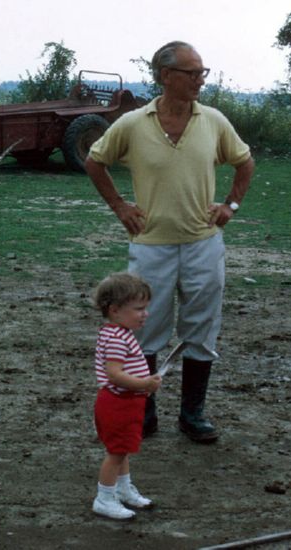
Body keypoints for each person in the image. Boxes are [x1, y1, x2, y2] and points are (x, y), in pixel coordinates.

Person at [86, 41, 255, 443]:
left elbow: (245, 162)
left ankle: (193, 414)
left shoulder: (213, 121)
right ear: (166, 76)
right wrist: (119, 206)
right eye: (191, 73)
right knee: (144, 326)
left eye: (202, 72)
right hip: (151, 244)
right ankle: (143, 413)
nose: (200, 80)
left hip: (203, 243)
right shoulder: (133, 123)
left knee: (201, 327)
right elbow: (95, 161)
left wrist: (230, 204)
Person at [92, 273, 162, 520]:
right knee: (116, 452)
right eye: (139, 309)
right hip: (118, 403)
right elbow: (114, 375)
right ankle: (104, 498)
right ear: (115, 310)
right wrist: (144, 383)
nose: (145, 314)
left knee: (122, 449)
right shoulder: (117, 338)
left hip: (127, 403)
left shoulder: (118, 333)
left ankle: (123, 489)